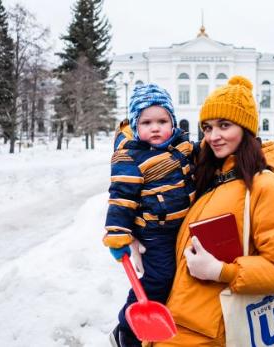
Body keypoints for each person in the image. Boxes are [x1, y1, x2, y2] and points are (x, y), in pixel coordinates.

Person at [152, 75, 274, 346]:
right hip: (175, 323)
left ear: (246, 129)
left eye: (224, 125)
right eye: (207, 128)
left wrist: (222, 271)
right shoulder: (209, 177)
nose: (213, 136)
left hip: (214, 332)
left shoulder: (263, 186)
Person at [103, 84, 196, 347]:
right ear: (135, 124)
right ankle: (126, 330)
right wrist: (117, 235)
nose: (155, 128)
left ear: (173, 122)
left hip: (181, 226)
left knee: (179, 279)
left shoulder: (183, 146)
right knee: (159, 279)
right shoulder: (131, 156)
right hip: (155, 232)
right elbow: (121, 197)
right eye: (146, 122)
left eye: (162, 121)